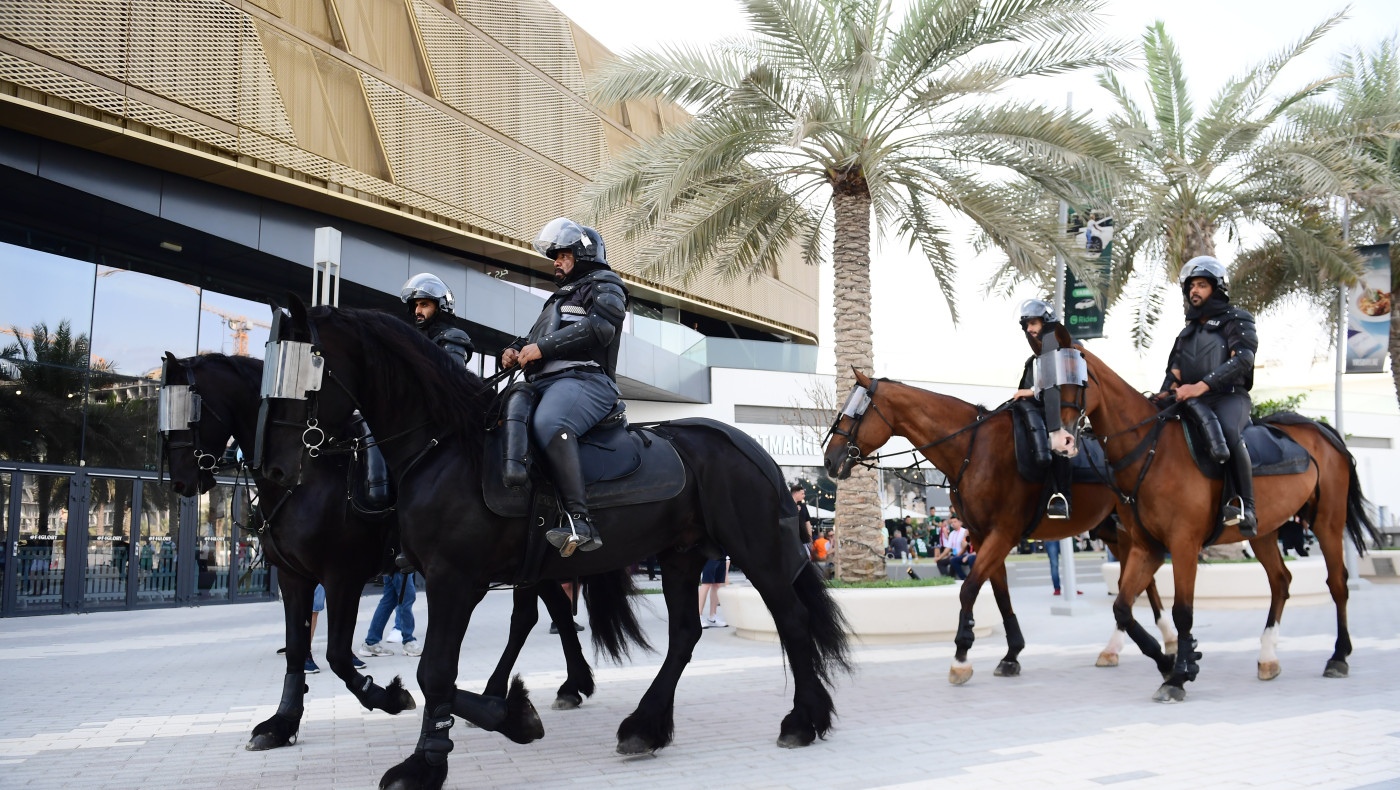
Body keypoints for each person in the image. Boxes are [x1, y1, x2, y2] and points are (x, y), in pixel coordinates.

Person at [501, 218, 627, 557]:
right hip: (543, 383)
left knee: (550, 423)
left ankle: (579, 522)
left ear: (583, 255)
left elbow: (602, 328)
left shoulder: (605, 283)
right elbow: (535, 338)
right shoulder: (557, 299)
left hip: (585, 380)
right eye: (555, 256)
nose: (556, 262)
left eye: (564, 255)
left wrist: (542, 348)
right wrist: (514, 350)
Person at [1156, 256, 1258, 536]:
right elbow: (1174, 373)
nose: (1194, 291)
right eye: (1191, 286)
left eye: (1201, 285)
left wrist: (1201, 386)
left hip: (1229, 397)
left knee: (1228, 432)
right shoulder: (1186, 333)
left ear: (1217, 288)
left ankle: (1246, 506)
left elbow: (1243, 360)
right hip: (1191, 400)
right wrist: (1160, 396)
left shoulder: (1237, 319)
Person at [1012, 299, 1072, 520]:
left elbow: (1061, 386)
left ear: (1046, 323)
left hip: (1058, 414)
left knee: (1058, 441)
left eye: (1033, 323)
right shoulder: (1033, 360)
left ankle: (1061, 496)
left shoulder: (1063, 351)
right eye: (1026, 325)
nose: (1029, 329)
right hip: (1033, 410)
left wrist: (1030, 392)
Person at [400, 273, 475, 368]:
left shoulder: (452, 338)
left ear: (440, 307)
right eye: (416, 305)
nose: (417, 311)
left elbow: (453, 376)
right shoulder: (414, 340)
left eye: (424, 305)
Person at [358, 573, 422, 658]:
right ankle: (408, 641)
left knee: (389, 600)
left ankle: (371, 642)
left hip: (392, 568)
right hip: (400, 568)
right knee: (406, 598)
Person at [699, 556, 729, 628]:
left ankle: (712, 616)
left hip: (722, 554)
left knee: (717, 584)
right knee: (706, 583)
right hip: (710, 553)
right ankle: (698, 616)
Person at [792, 485, 814, 555]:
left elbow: (807, 522)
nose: (804, 496)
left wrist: (810, 537)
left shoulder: (803, 506)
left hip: (804, 539)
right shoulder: (787, 506)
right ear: (796, 493)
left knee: (807, 557)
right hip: (792, 539)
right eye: (802, 494)